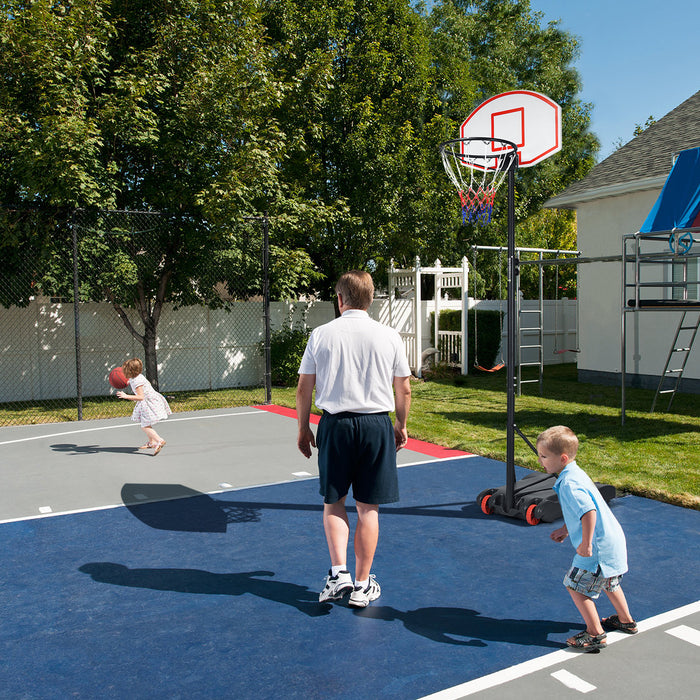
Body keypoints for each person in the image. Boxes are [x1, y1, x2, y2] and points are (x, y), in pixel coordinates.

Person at [296, 270, 412, 608]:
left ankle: (339, 575)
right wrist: (401, 424)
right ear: (371, 298)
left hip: (334, 425)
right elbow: (403, 387)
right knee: (368, 508)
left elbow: (305, 386)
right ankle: (362, 585)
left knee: (334, 502)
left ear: (340, 299)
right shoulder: (389, 335)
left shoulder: (321, 334)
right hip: (376, 425)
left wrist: (303, 428)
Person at [537, 425, 637, 652]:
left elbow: (588, 512)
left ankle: (595, 634)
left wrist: (585, 543)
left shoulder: (570, 483)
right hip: (612, 540)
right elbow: (578, 512)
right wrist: (566, 529)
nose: (540, 460)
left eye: (544, 456)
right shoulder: (576, 473)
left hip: (597, 547)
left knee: (575, 587)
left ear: (562, 458)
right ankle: (625, 620)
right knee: (610, 581)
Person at [117, 358, 171, 455]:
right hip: (149, 401)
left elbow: (141, 397)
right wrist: (129, 381)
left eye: (124, 370)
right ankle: (152, 442)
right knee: (145, 422)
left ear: (130, 371)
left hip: (149, 403)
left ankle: (159, 440)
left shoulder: (137, 382)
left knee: (145, 426)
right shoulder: (138, 377)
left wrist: (125, 396)